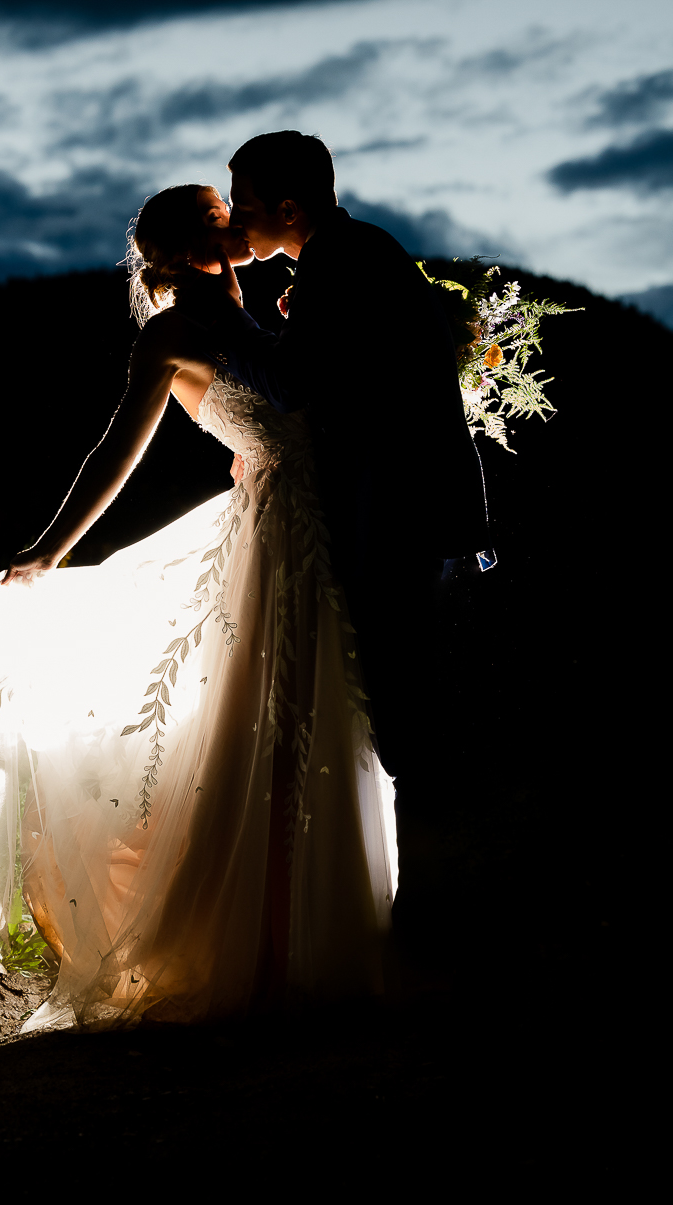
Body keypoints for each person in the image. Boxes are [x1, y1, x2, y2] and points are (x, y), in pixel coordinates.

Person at [0, 182, 400, 1030]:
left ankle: (306, 932)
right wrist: (50, 549)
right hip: (281, 539)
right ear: (194, 250)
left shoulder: (258, 321)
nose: (244, 226)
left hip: (309, 521)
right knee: (277, 723)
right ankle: (262, 950)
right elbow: (119, 446)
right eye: (227, 218)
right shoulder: (174, 334)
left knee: (316, 720)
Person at [201, 129, 492, 894]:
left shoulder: (344, 262)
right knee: (401, 706)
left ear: (289, 210)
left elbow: (293, 385)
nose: (235, 218)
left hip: (392, 514)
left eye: (245, 203)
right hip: (401, 508)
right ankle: (419, 899)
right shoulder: (353, 253)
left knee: (402, 713)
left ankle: (430, 909)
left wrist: (228, 315)